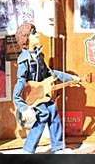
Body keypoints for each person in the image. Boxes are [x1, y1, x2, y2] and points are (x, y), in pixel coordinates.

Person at [12, 22, 78, 154]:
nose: (37, 35)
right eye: (33, 33)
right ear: (26, 39)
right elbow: (19, 86)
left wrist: (70, 78)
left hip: (43, 94)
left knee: (53, 111)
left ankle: (58, 147)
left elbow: (50, 73)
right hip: (34, 96)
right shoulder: (24, 61)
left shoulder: (39, 56)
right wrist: (23, 107)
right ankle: (28, 149)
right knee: (43, 115)